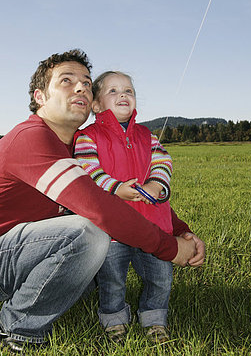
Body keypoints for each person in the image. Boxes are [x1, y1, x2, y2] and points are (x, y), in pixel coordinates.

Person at [0, 49, 205, 353]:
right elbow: (100, 208)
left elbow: (128, 196)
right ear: (40, 97)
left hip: (33, 249)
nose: (80, 88)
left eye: (87, 83)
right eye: (66, 81)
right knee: (89, 235)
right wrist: (170, 248)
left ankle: (50, 296)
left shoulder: (75, 145)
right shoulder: (32, 138)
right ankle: (14, 329)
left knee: (93, 254)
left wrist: (178, 230)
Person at [74, 71, 176, 344]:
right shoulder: (87, 137)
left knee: (160, 277)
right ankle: (114, 320)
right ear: (95, 105)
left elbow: (163, 163)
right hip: (111, 229)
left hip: (152, 226)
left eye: (128, 91)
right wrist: (116, 188)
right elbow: (88, 170)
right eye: (113, 91)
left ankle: (154, 319)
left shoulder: (147, 135)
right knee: (112, 280)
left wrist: (156, 186)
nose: (123, 95)